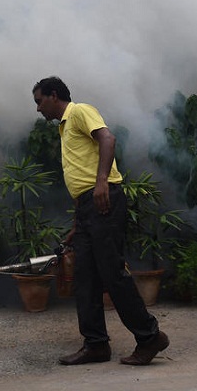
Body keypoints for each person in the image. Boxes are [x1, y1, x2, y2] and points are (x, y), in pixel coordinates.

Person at [31, 76, 169, 366]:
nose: (38, 108)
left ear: (54, 95)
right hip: (87, 207)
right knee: (85, 279)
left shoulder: (79, 111)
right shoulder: (64, 128)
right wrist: (77, 223)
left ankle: (149, 337)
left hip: (103, 200)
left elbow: (108, 138)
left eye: (39, 101)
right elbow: (79, 174)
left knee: (112, 273)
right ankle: (96, 345)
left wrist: (103, 181)